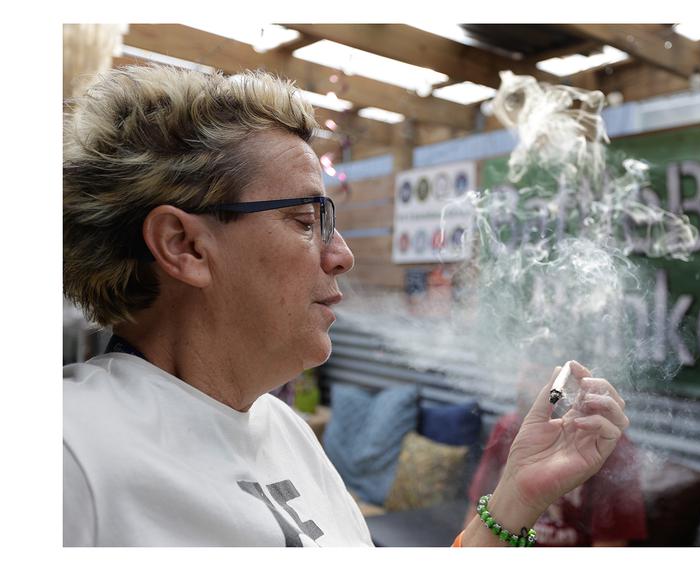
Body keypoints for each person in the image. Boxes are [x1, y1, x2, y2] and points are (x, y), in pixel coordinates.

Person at [62, 64, 630, 546]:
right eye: (306, 221)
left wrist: (515, 496)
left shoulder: (285, 430)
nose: (343, 256)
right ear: (185, 246)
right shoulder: (69, 451)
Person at [466, 365, 648, 546]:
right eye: (526, 370)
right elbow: (475, 515)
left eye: (537, 372)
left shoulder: (602, 445)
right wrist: (521, 495)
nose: (523, 384)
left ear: (570, 384)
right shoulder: (507, 428)